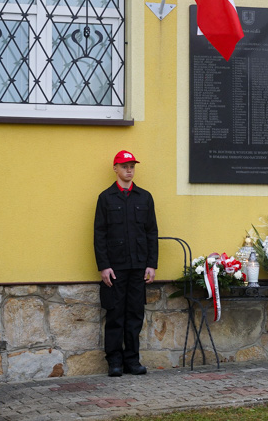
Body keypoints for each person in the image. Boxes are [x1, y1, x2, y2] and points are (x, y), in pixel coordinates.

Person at [94, 150, 159, 376]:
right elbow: (99, 234)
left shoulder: (144, 197)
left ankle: (132, 360)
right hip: (115, 268)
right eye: (124, 166)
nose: (129, 170)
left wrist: (151, 264)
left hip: (138, 267)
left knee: (134, 315)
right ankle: (114, 362)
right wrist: (104, 266)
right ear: (115, 169)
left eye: (131, 166)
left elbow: (151, 232)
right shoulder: (106, 198)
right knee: (115, 316)